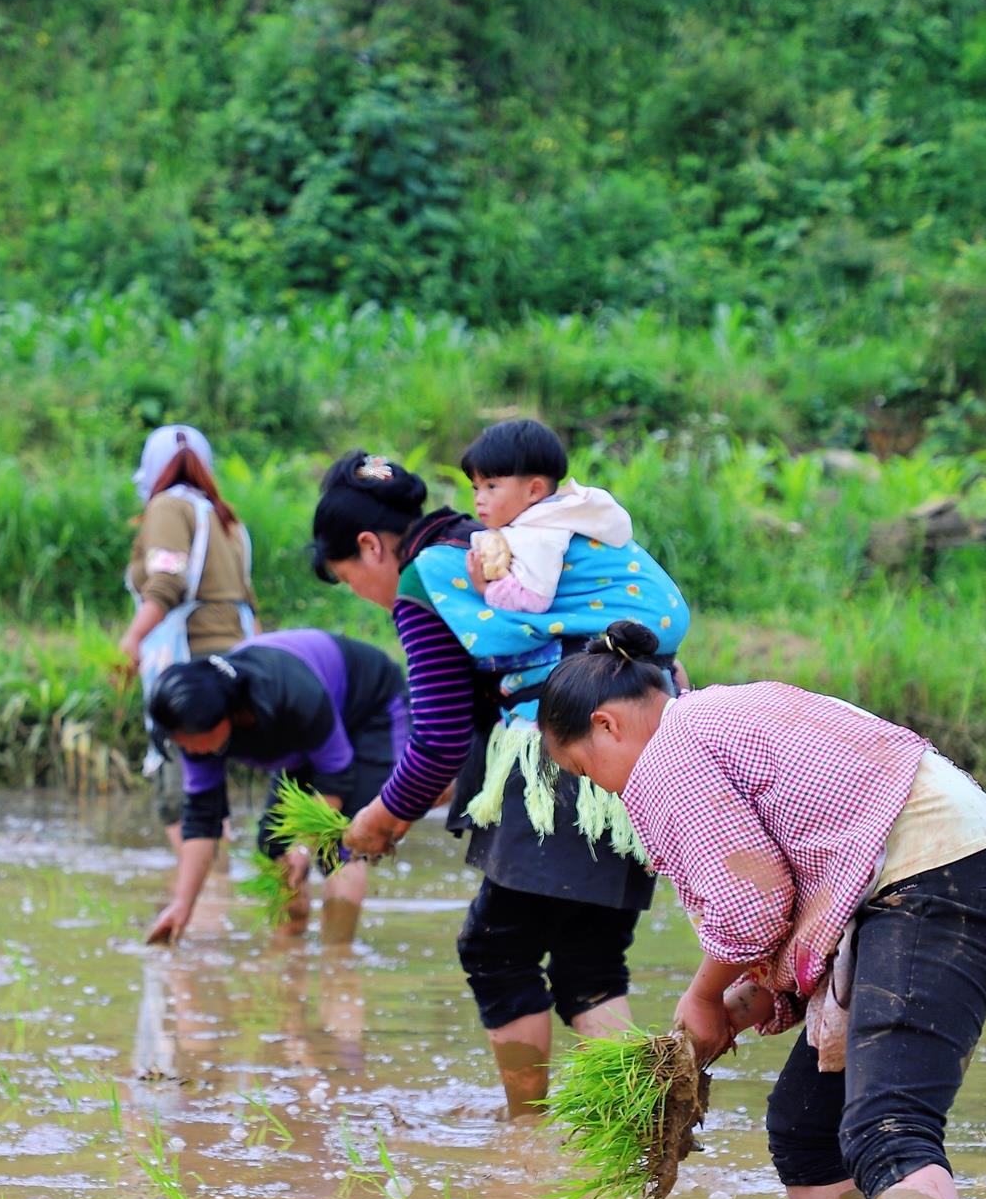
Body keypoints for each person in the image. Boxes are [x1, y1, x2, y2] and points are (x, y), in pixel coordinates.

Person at [536, 620, 986, 1199]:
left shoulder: (670, 753)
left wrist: (702, 992)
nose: (609, 792)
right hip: (947, 878)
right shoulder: (714, 715)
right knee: (807, 1124)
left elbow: (751, 907)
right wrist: (741, 1004)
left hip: (936, 884)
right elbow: (805, 884)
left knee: (887, 1123)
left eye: (590, 773)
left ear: (607, 724)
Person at [312, 446, 681, 1117]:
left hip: (559, 762)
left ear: (370, 547)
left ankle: (529, 1127)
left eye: (348, 577)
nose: (366, 597)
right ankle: (646, 1121)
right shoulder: (499, 540)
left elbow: (440, 737)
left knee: (495, 948)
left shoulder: (428, 581)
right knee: (589, 964)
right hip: (641, 751)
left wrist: (380, 818)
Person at [142, 631, 408, 947]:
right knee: (275, 847)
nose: (187, 749)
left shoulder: (291, 694)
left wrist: (305, 847)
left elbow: (335, 775)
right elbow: (202, 819)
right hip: (308, 739)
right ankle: (287, 956)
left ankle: (338, 968)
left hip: (369, 712)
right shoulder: (194, 730)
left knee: (338, 846)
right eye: (178, 741)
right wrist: (183, 906)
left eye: (190, 740)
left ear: (225, 716)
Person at [117, 426, 258, 848]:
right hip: (236, 662)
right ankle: (217, 894)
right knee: (207, 792)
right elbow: (250, 605)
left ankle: (204, 907)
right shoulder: (224, 517)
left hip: (189, 667)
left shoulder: (168, 507)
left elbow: (166, 582)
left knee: (181, 798)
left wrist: (130, 641)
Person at [459, 419, 635, 613]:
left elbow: (533, 601)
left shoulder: (539, 534)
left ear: (534, 490)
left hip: (626, 623)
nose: (479, 499)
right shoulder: (560, 513)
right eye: (476, 488)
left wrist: (485, 589)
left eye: (491, 486)